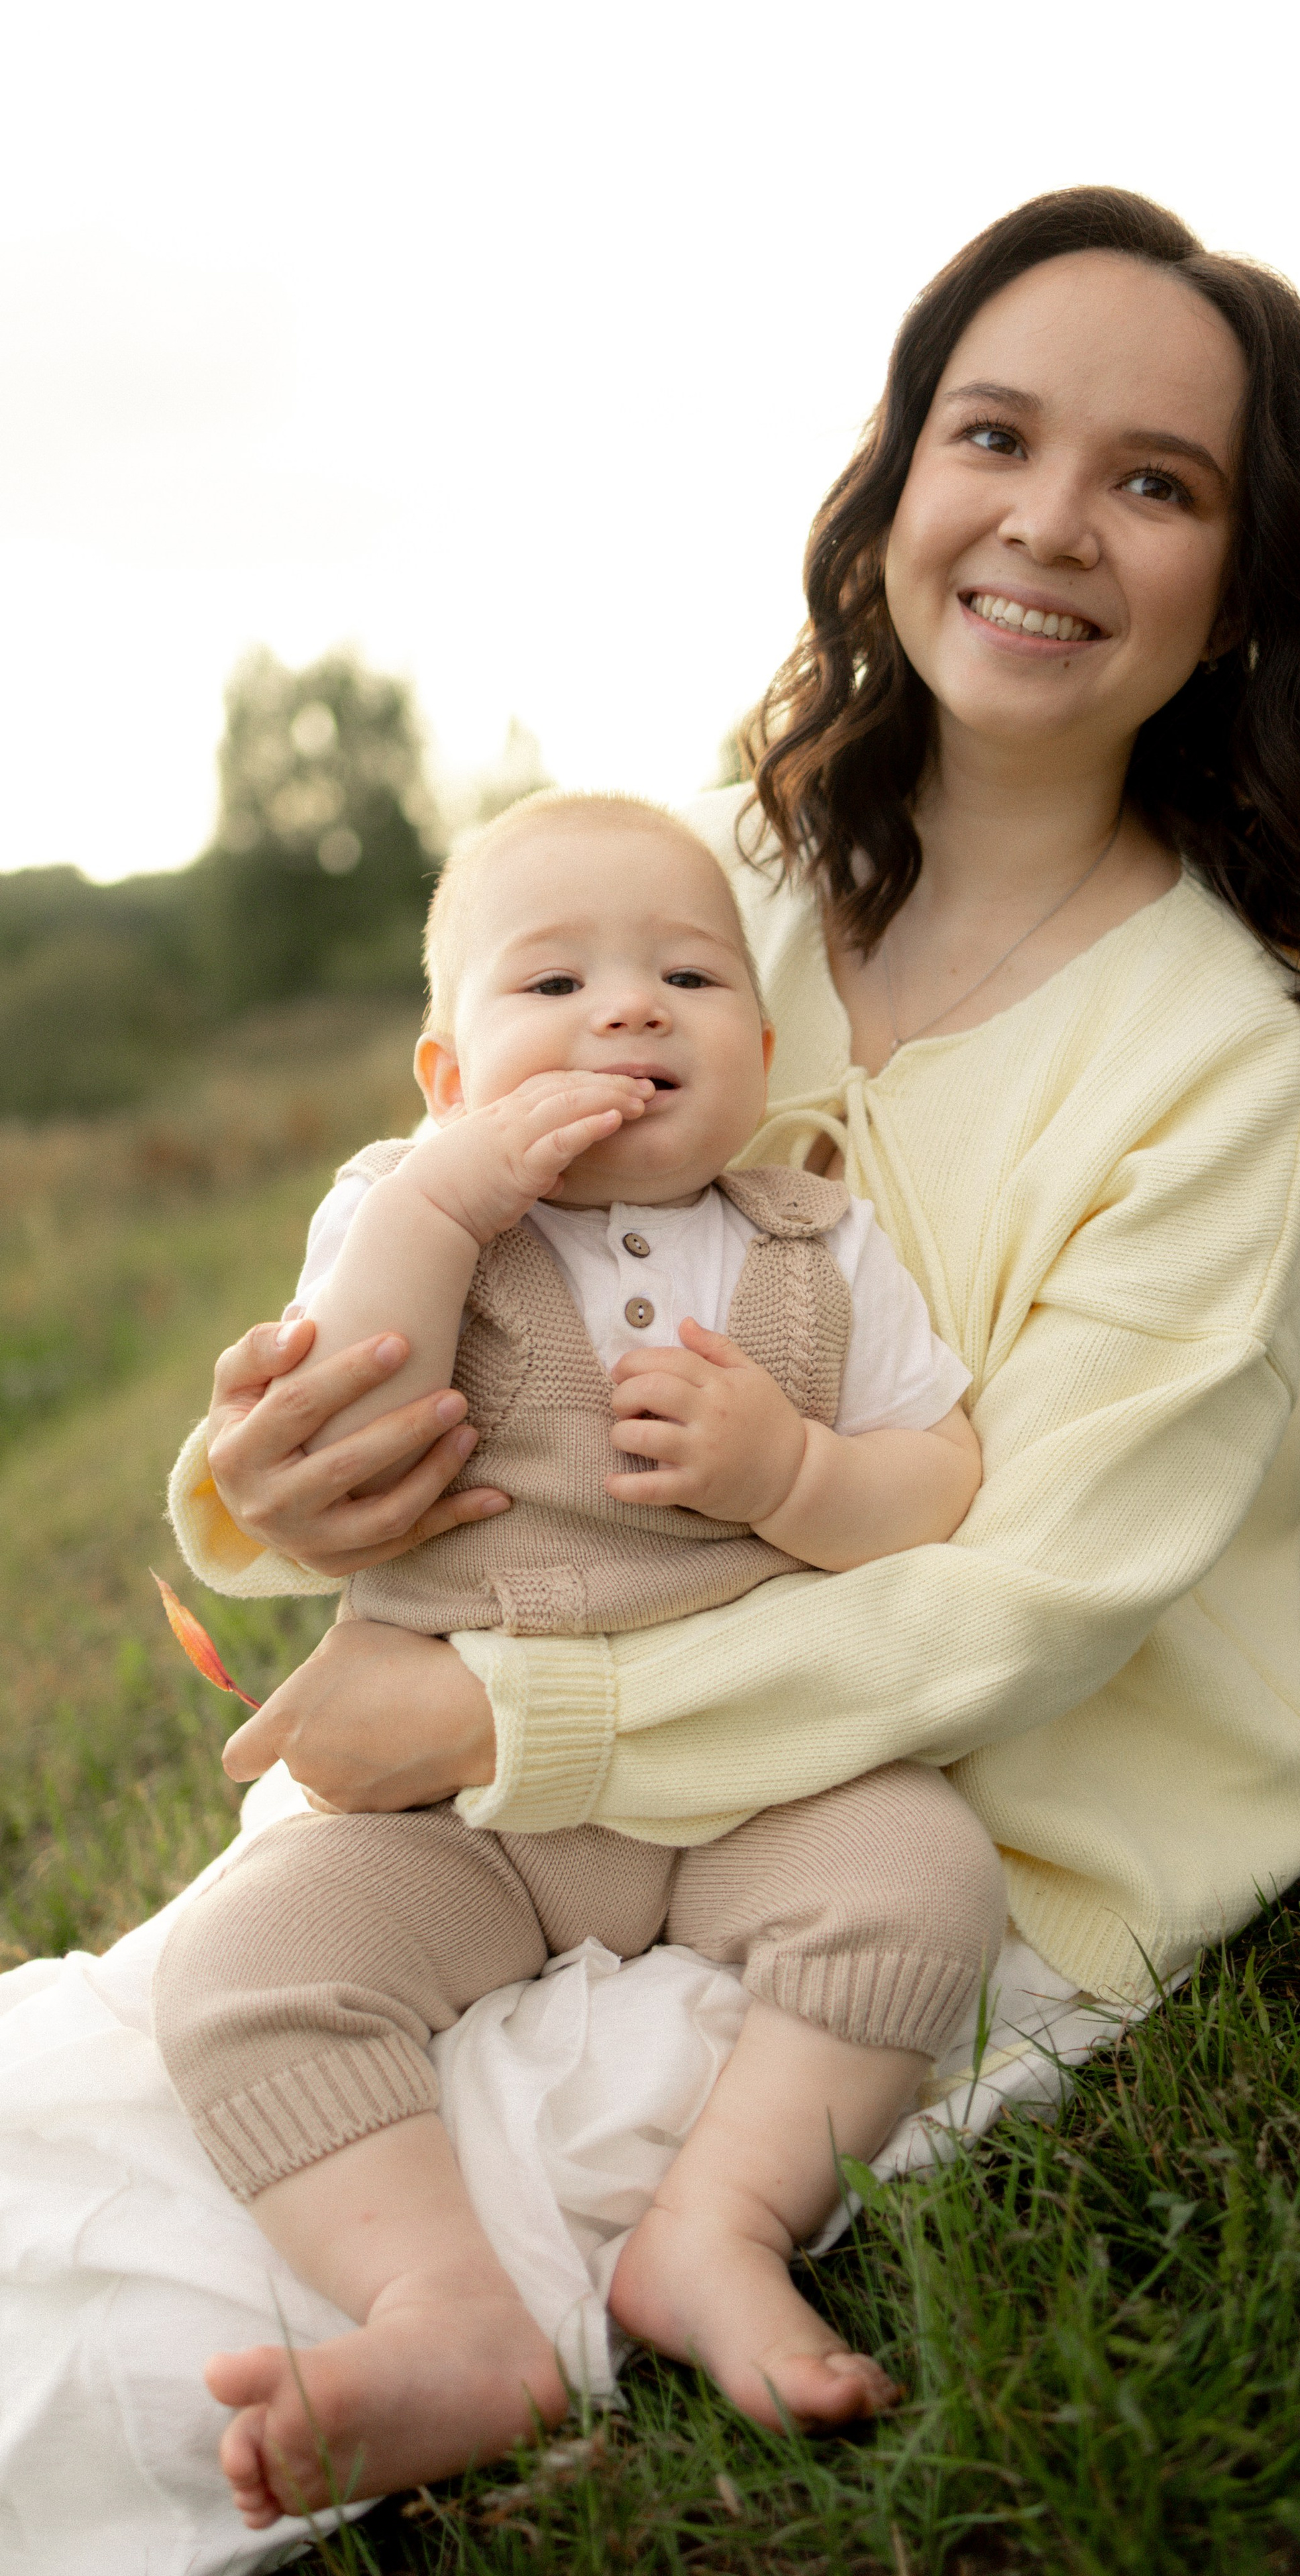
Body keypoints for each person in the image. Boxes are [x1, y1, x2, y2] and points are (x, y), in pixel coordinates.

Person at [166, 184, 1300, 2519]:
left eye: (1156, 481)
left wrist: (512, 1719)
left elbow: (1034, 1599)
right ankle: (447, 2304)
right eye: (995, 436)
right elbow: (440, 1224)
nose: (1049, 523)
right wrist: (272, 1475)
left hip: (991, 1806)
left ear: (1245, 580)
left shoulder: (1211, 1056)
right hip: (591, 1738)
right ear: (899, 479)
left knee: (240, 2222)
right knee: (219, 2022)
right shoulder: (713, 879)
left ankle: (600, 2290)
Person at [152, 788, 1000, 2529]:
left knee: (923, 1873)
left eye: (686, 977)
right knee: (244, 1966)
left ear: (762, 1054)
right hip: (451, 1811)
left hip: (741, 1782)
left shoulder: (817, 1242)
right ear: (446, 1072)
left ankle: (721, 2229)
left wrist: (796, 1475)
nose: (626, 1011)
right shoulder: (397, 1209)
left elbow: (941, 1483)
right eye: (553, 985)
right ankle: (448, 2315)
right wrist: (445, 1203)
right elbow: (355, 1429)